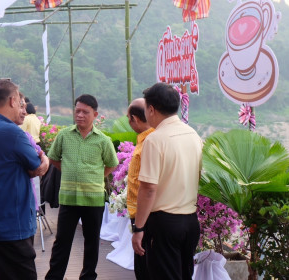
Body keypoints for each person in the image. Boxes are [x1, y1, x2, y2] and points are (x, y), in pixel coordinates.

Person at [0, 79, 49, 280]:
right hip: (10, 226)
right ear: (13, 101)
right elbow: (37, 167)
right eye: (20, 103)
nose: (22, 108)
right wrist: (46, 161)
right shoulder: (12, 133)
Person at [131, 83, 203, 280]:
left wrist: (138, 229)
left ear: (151, 109)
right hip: (190, 221)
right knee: (184, 274)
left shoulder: (155, 140)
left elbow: (148, 190)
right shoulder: (193, 135)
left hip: (164, 224)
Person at [45, 94, 119, 280]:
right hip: (69, 198)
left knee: (92, 241)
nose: (80, 115)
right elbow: (53, 158)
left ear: (95, 114)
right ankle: (54, 277)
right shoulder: (64, 135)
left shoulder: (103, 140)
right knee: (62, 241)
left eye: (85, 112)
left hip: (93, 199)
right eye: (77, 111)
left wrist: (96, 176)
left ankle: (88, 276)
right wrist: (68, 169)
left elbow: (112, 163)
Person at [126, 98, 154, 280]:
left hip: (146, 216)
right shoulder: (145, 140)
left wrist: (139, 227)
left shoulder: (151, 143)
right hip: (143, 215)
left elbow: (149, 187)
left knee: (146, 267)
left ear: (134, 119)